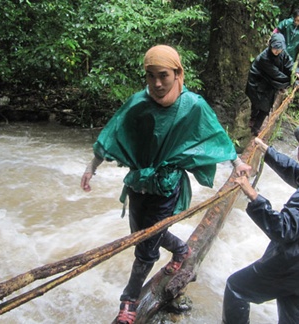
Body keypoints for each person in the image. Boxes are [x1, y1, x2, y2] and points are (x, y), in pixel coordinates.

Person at [80, 45, 252, 324]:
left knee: (146, 247)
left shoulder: (192, 105)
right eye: (151, 76)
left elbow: (214, 134)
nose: (157, 83)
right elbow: (113, 133)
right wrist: (92, 167)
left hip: (167, 184)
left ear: (177, 73)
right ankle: (182, 250)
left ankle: (129, 301)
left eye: (164, 75)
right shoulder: (138, 103)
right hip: (138, 182)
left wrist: (236, 163)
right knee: (142, 233)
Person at [222, 124, 299, 324]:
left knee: (236, 288)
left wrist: (251, 194)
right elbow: (297, 173)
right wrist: (267, 151)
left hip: (292, 268)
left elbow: (282, 230)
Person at [245, 33, 299, 136]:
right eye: (275, 48)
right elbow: (276, 74)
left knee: (265, 106)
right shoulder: (264, 58)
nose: (277, 51)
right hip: (258, 82)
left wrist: (296, 72)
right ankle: (254, 125)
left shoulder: (282, 53)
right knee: (259, 103)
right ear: (270, 46)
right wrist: (291, 82)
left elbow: (289, 63)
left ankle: (255, 126)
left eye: (279, 49)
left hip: (269, 82)